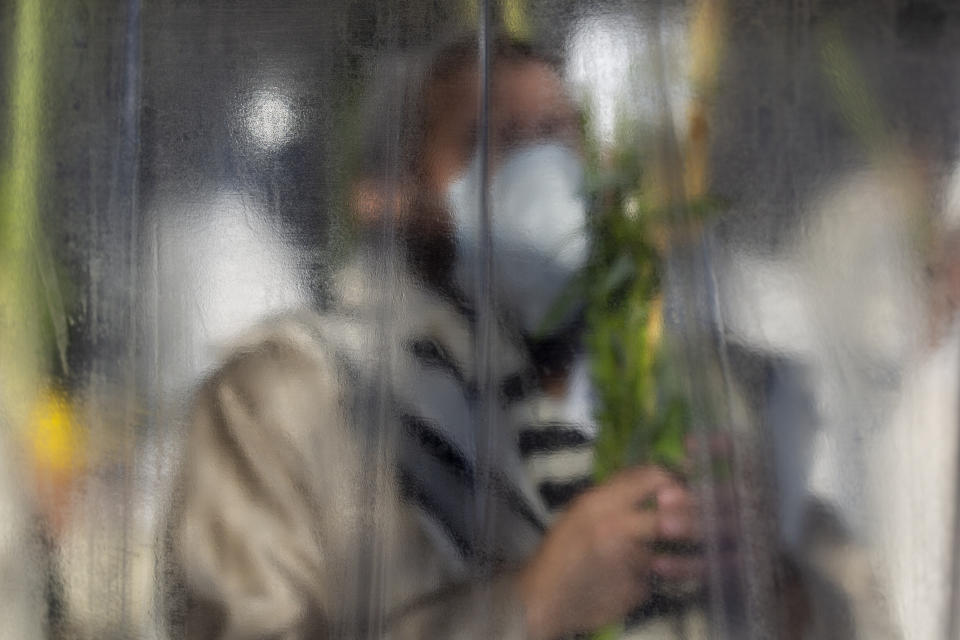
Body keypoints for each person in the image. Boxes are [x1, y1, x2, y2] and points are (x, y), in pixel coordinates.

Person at [163, 35, 702, 640]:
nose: (540, 174)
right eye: (486, 141)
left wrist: (763, 585)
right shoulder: (284, 397)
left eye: (556, 134)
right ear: (389, 194)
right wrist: (532, 606)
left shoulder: (657, 385)